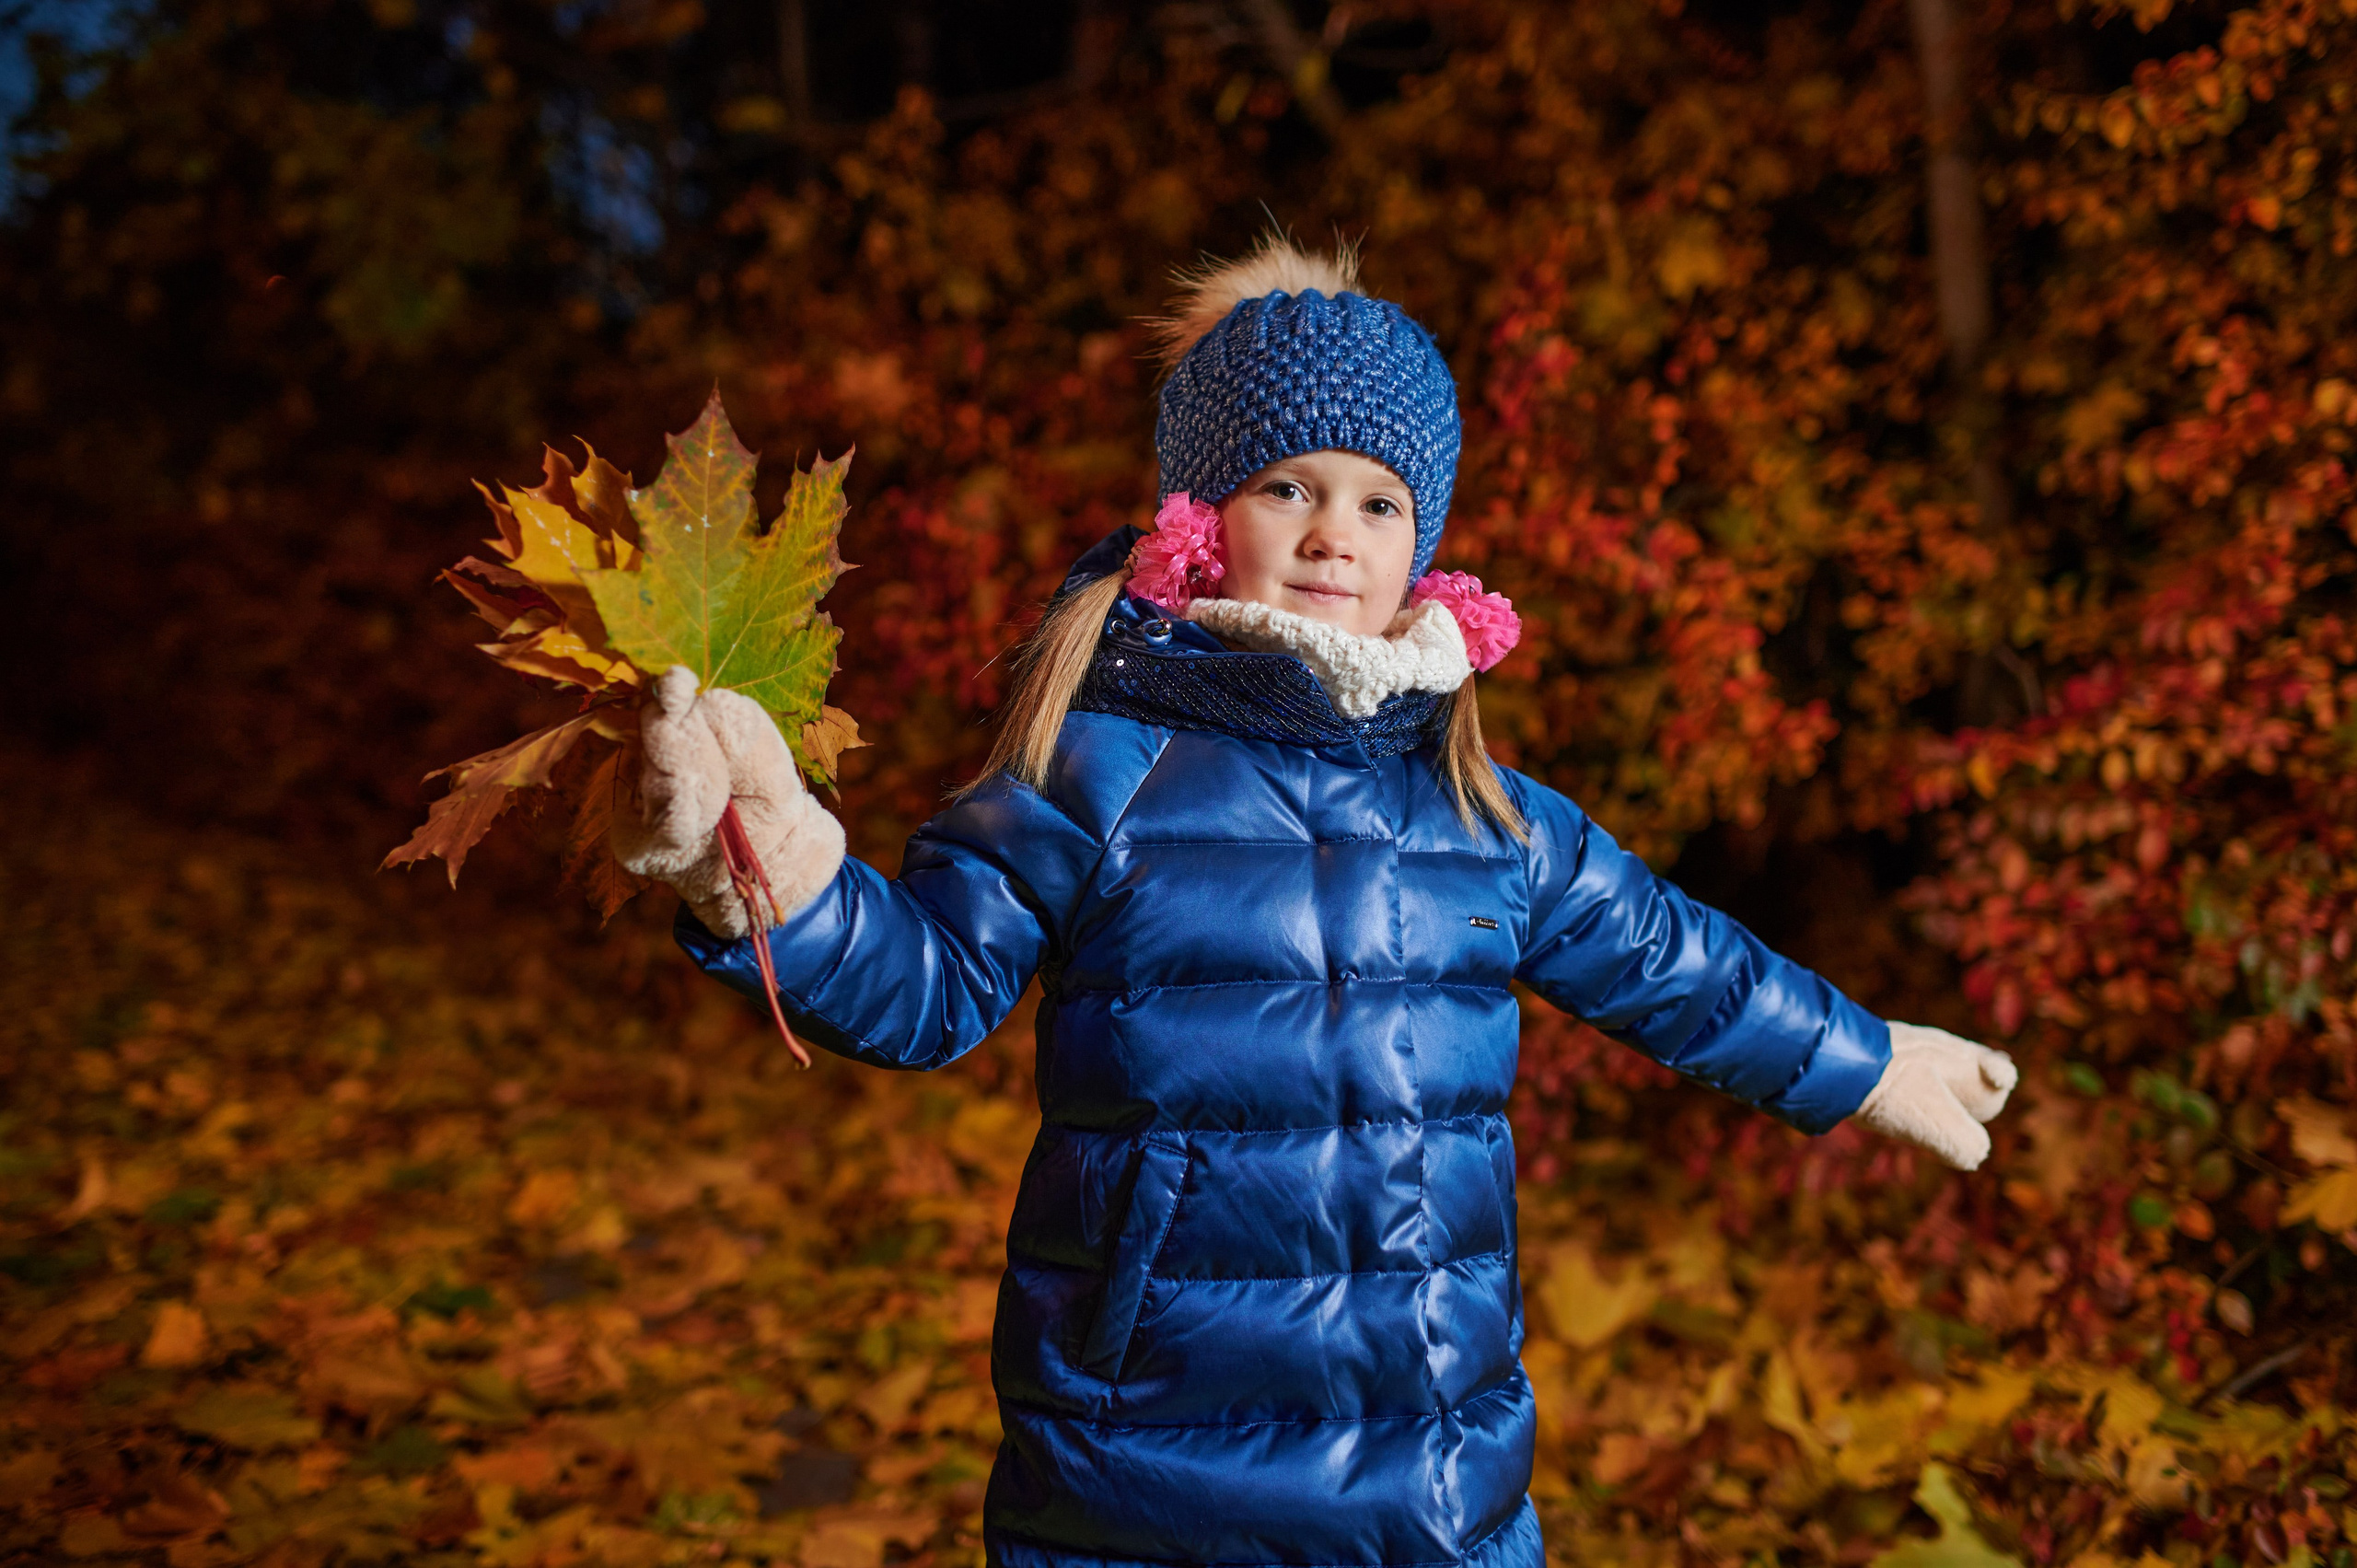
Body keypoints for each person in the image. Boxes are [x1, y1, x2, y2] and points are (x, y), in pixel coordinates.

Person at [612, 238, 2017, 1568]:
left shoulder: (1483, 818)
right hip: (1148, 1447)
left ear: (1425, 547)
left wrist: (1870, 1058)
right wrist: (769, 869)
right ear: (1203, 515)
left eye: (1380, 501)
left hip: (1434, 1462)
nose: (1335, 531)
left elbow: (1678, 963)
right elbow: (928, 986)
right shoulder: (1103, 767)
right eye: (1289, 485)